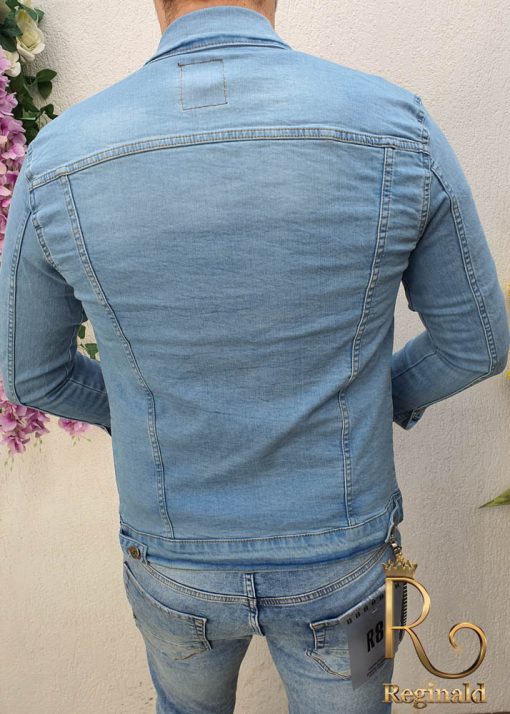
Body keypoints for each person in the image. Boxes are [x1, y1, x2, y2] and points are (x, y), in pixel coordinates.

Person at [0, 1, 508, 711]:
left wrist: (146, 415)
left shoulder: (60, 157)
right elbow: (477, 344)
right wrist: (366, 402)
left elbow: (31, 374)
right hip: (349, 559)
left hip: (172, 559)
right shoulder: (398, 126)